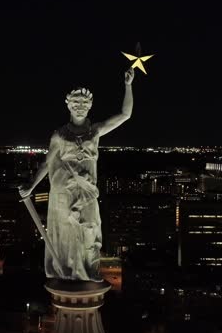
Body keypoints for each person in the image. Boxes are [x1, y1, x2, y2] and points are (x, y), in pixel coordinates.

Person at [19, 68, 135, 281]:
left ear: (90, 107)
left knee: (90, 227)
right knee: (69, 233)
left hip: (88, 190)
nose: (80, 108)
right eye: (76, 104)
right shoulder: (60, 136)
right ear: (69, 106)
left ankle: (88, 269)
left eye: (84, 104)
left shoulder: (95, 131)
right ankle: (72, 272)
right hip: (65, 191)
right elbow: (47, 163)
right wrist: (32, 186)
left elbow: (125, 115)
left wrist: (128, 86)